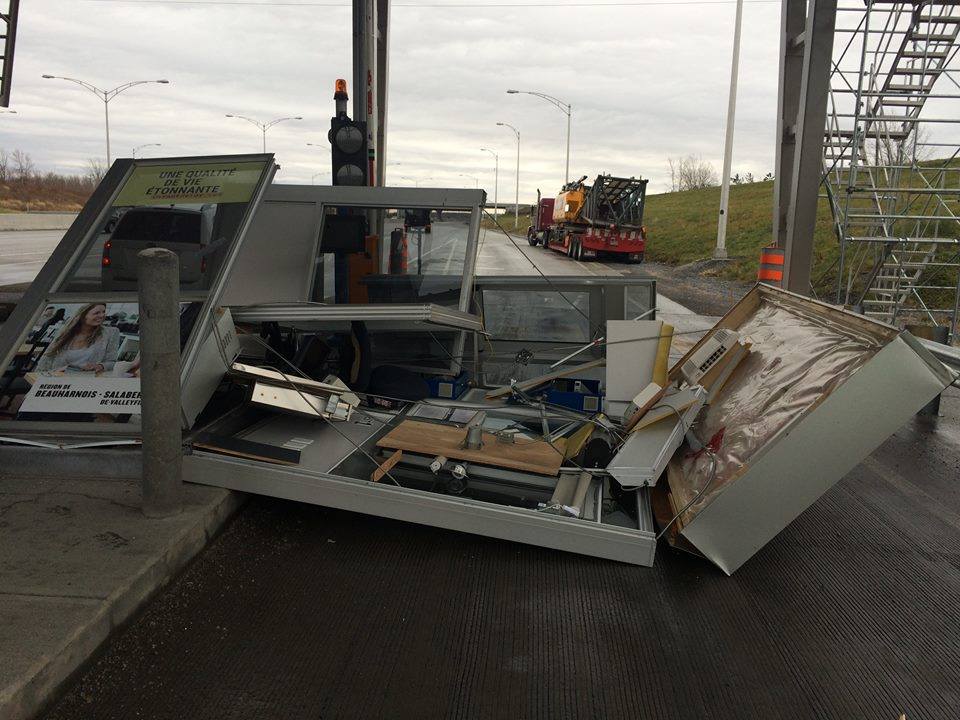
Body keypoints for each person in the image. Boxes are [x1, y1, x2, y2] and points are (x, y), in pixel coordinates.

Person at [35, 303, 120, 375]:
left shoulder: (111, 333)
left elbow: (112, 362)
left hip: (85, 383)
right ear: (83, 315)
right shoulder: (65, 333)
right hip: (58, 379)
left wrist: (100, 366)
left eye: (103, 312)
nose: (102, 315)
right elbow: (46, 359)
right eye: (97, 313)